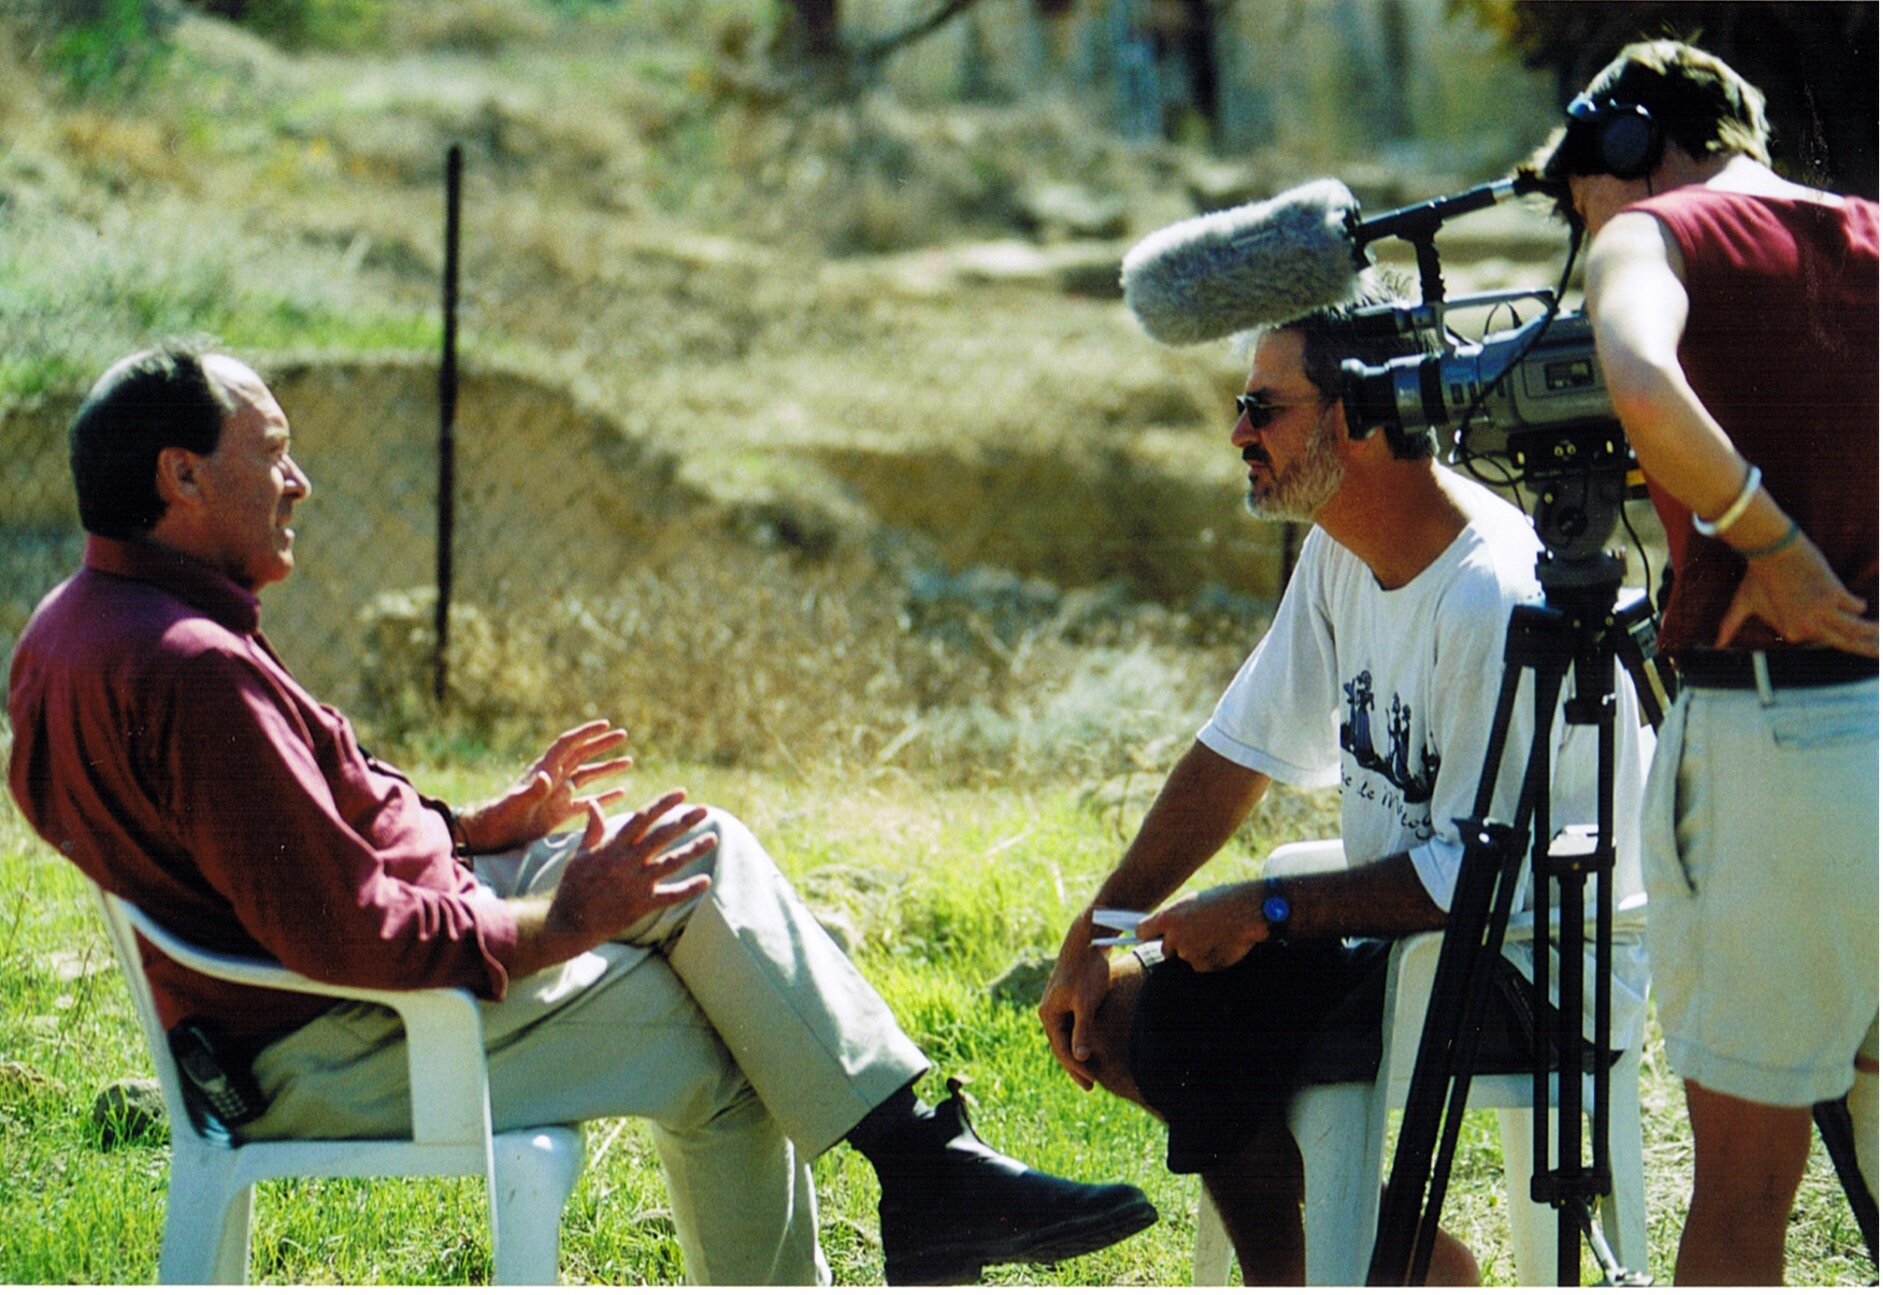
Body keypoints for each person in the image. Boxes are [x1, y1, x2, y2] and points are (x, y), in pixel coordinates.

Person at [6, 346, 1158, 1286]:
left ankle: (924, 1161)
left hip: (294, 1003)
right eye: (272, 454)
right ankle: (928, 1179)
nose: (299, 481)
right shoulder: (189, 667)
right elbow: (350, 933)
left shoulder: (74, 628)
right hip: (338, 1039)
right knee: (735, 1034)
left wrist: (474, 827)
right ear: (182, 476)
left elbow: (275, 844)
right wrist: (562, 918)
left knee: (693, 843)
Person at [1036, 282, 1652, 1284]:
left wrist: (1266, 907)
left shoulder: (1489, 593)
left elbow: (1479, 876)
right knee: (1114, 1007)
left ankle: (1317, 1270)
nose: (1237, 431)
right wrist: (1097, 927)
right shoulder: (1339, 553)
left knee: (1197, 1016)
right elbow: (1233, 753)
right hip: (1416, 927)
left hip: (1534, 958)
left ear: (1359, 416)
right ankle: (1398, 1259)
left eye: (1262, 408)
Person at [1528, 39, 1878, 1285]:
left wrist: (1763, 538)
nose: (1593, 224)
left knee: (1739, 1193)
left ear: (1632, 145)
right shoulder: (1867, 231)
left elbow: (1632, 366)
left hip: (1779, 743)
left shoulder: (1656, 233)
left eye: (1588, 198)